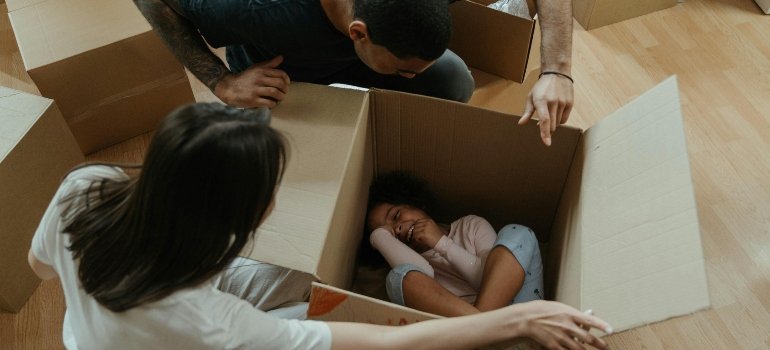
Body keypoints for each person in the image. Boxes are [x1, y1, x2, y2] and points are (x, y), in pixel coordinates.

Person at [28, 103, 612, 349]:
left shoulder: (86, 189)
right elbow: (390, 340)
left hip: (98, 334)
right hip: (180, 329)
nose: (277, 204)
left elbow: (38, 264)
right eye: (268, 195)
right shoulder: (214, 327)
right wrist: (520, 318)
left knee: (308, 290)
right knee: (331, 309)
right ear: (225, 225)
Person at [133, 0, 574, 146]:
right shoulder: (259, 10)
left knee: (455, 81)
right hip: (278, 70)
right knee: (266, 159)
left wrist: (557, 70)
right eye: (403, 70)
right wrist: (220, 81)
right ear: (358, 32)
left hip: (348, 53)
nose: (409, 77)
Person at [364, 171, 544, 317]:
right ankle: (483, 330)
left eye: (396, 216)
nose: (396, 229)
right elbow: (421, 271)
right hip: (466, 334)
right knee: (397, 278)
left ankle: (482, 327)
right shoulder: (411, 268)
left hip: (515, 313)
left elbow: (487, 279)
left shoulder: (470, 225)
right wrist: (380, 236)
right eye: (388, 234)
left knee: (517, 233)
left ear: (416, 203)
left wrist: (441, 244)